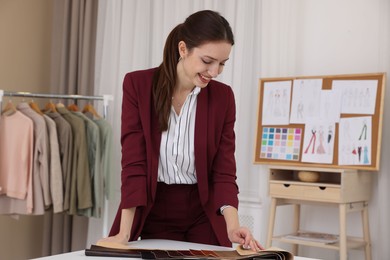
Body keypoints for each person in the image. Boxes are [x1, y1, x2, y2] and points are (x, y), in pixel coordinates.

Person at [98, 9, 263, 252]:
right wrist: (124, 233)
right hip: (155, 210)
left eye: (222, 64)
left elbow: (224, 171)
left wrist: (232, 226)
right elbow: (134, 164)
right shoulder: (138, 86)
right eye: (208, 61)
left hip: (202, 214)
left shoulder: (223, 98)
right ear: (183, 49)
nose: (214, 72)